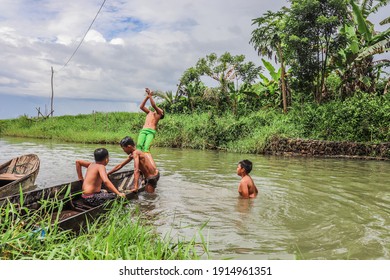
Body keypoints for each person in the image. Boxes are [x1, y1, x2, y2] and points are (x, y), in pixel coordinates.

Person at [136, 88, 164, 153]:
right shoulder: (149, 112)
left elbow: (154, 105)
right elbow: (141, 107)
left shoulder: (159, 114)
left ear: (162, 114)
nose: (159, 109)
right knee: (139, 146)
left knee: (146, 148)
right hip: (144, 130)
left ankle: (147, 160)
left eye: (161, 109)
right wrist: (147, 97)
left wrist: (150, 95)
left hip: (151, 131)